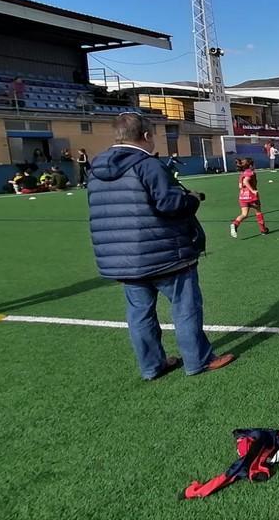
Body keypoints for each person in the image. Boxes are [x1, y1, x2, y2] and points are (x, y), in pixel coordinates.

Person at [87, 113, 234, 380]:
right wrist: (190, 199)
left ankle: (152, 366)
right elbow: (170, 205)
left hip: (122, 257)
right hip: (163, 252)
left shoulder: (96, 168)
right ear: (145, 136)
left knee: (140, 315)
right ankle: (197, 360)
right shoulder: (147, 165)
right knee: (185, 307)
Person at [230, 158, 269, 237]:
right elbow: (245, 181)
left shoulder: (242, 174)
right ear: (251, 165)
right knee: (258, 212)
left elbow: (240, 186)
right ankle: (263, 230)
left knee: (244, 214)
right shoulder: (250, 172)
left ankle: (235, 224)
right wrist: (252, 190)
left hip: (243, 197)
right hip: (251, 196)